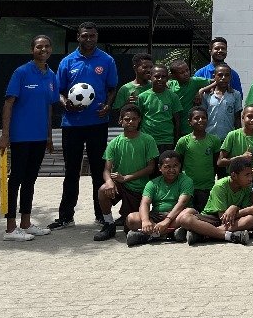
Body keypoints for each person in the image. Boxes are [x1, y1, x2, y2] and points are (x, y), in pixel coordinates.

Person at [51, 22, 119, 231]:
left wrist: (108, 105)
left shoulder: (106, 60)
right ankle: (66, 216)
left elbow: (112, 88)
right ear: (78, 37)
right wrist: (65, 103)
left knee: (99, 171)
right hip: (72, 124)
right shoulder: (67, 61)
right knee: (71, 171)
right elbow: (59, 91)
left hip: (97, 123)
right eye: (84, 36)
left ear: (97, 36)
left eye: (92, 36)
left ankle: (102, 215)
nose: (88, 39)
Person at [0, 34, 59, 241]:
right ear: (32, 49)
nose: (44, 49)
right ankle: (10, 228)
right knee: (16, 178)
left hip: (39, 137)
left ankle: (26, 223)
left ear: (51, 49)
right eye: (39, 46)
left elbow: (49, 106)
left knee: (30, 179)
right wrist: (5, 135)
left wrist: (49, 136)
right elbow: (8, 103)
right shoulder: (21, 72)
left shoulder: (51, 75)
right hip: (21, 136)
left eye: (47, 46)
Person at [94, 105, 159, 242]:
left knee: (130, 225)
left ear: (139, 120)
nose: (131, 122)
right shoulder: (114, 143)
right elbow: (106, 169)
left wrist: (126, 178)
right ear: (120, 121)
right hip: (120, 185)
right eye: (127, 119)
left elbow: (151, 168)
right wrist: (109, 181)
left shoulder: (148, 140)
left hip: (140, 189)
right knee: (103, 190)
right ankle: (108, 224)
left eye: (134, 119)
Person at [175, 157, 253, 245]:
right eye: (247, 175)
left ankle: (202, 234)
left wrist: (235, 208)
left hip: (231, 220)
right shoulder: (221, 186)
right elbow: (223, 217)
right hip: (212, 218)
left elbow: (244, 208)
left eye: (251, 174)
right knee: (185, 219)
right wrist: (248, 210)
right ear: (234, 175)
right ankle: (230, 236)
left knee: (251, 219)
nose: (250, 178)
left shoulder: (246, 186)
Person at [125, 150, 194, 246]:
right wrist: (145, 221)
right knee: (131, 218)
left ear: (180, 166)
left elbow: (182, 203)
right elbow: (145, 203)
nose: (171, 170)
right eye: (167, 167)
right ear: (159, 168)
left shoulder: (186, 181)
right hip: (157, 216)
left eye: (175, 166)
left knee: (189, 212)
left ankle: (151, 235)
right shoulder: (152, 183)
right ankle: (169, 233)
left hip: (177, 215)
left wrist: (167, 221)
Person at [175, 107, 222, 210]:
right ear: (190, 122)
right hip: (188, 188)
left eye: (203, 118)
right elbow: (178, 164)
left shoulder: (214, 140)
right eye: (196, 118)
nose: (200, 120)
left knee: (204, 215)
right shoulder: (183, 141)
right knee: (187, 214)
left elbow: (217, 165)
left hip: (207, 187)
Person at [135, 63, 181, 153]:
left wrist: (176, 141)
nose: (160, 79)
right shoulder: (142, 97)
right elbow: (139, 119)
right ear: (150, 77)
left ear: (167, 78)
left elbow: (177, 121)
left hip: (167, 141)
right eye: (157, 76)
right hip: (147, 141)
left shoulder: (173, 96)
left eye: (163, 77)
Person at [218, 104, 253, 174]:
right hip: (234, 178)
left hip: (252, 179)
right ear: (243, 117)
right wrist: (241, 158)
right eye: (249, 116)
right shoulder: (232, 135)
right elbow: (220, 162)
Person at [198, 62, 242, 140]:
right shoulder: (207, 95)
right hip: (209, 137)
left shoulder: (235, 94)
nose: (223, 78)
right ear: (214, 77)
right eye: (220, 75)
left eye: (227, 75)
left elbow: (237, 118)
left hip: (228, 138)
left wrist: (238, 137)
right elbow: (202, 116)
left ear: (230, 77)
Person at [168, 59, 209, 138]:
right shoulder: (171, 85)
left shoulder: (195, 81)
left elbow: (215, 81)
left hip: (190, 127)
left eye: (187, 70)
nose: (186, 74)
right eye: (181, 72)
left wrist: (201, 90)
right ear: (174, 76)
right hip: (174, 125)